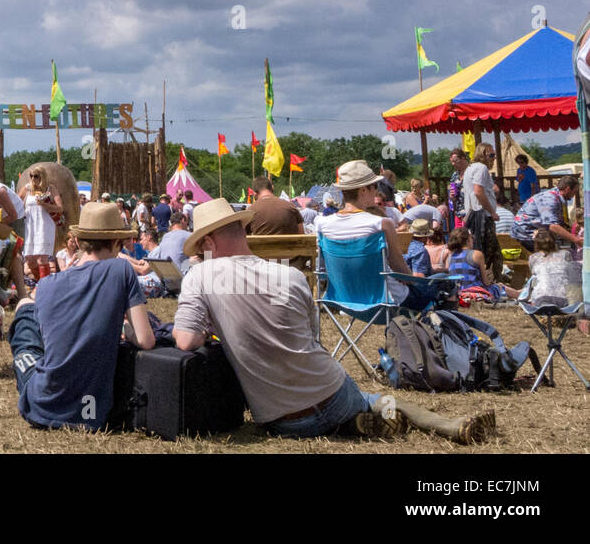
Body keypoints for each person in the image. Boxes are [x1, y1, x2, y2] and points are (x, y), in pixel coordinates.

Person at [173, 198, 496, 443]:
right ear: (241, 230)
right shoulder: (290, 276)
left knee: (367, 403)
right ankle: (444, 426)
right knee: (378, 400)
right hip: (332, 393)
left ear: (209, 242)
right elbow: (313, 339)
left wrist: (212, 325)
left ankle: (356, 425)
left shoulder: (200, 276)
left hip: (284, 420)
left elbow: (186, 341)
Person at [8, 202, 155, 430]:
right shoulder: (122, 270)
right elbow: (146, 340)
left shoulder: (47, 284)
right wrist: (124, 328)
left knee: (25, 307)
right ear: (117, 243)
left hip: (40, 406)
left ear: (77, 241)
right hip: (92, 412)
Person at [315, 161, 431, 309]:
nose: (377, 191)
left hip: (344, 301)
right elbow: (401, 272)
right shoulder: (381, 224)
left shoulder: (322, 225)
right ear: (363, 190)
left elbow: (323, 268)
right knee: (441, 285)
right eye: (375, 186)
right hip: (387, 301)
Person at [461, 144, 503, 278]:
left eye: (494, 155)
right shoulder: (482, 168)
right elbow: (478, 191)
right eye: (491, 155)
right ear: (482, 155)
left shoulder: (470, 168)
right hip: (482, 216)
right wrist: (492, 211)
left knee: (491, 253)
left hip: (474, 215)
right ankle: (489, 282)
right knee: (488, 253)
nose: (493, 158)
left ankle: (492, 281)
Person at [446, 228, 521, 300]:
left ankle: (520, 293)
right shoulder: (476, 254)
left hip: (457, 293)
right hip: (475, 291)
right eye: (472, 238)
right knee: (500, 286)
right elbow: (486, 282)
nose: (473, 241)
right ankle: (521, 295)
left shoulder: (450, 256)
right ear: (467, 240)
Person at [512, 177, 581, 252]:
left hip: (533, 233)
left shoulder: (556, 197)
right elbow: (553, 226)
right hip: (525, 236)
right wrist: (575, 239)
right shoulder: (550, 199)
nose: (574, 194)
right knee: (552, 256)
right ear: (567, 189)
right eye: (575, 191)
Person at [20, 167, 61, 281]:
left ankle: (44, 288)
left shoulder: (50, 188)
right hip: (30, 227)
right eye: (31, 176)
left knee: (42, 259)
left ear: (42, 176)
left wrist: (45, 204)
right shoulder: (27, 189)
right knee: (29, 260)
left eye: (36, 176)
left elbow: (59, 208)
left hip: (45, 227)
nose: (33, 178)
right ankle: (42, 283)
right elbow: (16, 202)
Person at [527, 229, 580, 308]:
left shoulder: (533, 258)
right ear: (554, 241)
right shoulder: (565, 254)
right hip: (564, 299)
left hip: (540, 299)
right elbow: (570, 276)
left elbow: (535, 278)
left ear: (536, 243)